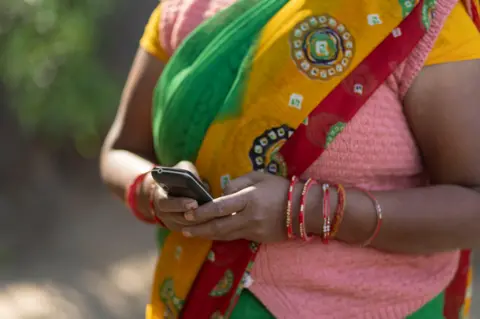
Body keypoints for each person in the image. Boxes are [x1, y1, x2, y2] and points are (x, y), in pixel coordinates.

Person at [100, 0, 480, 318]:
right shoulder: (186, 9)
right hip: (193, 301)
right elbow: (120, 149)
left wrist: (309, 210)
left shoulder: (419, 17)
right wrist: (153, 190)